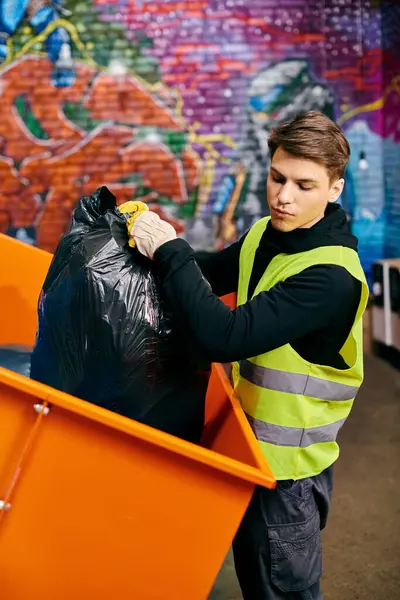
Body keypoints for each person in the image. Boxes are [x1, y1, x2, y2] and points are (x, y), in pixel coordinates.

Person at [129, 111, 369, 599]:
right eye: (278, 178)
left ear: (335, 189)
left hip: (289, 477)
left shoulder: (330, 276)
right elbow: (212, 273)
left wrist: (171, 251)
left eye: (305, 185)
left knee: (283, 592)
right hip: (251, 451)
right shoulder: (267, 233)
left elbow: (225, 336)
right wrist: (145, 248)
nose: (284, 196)